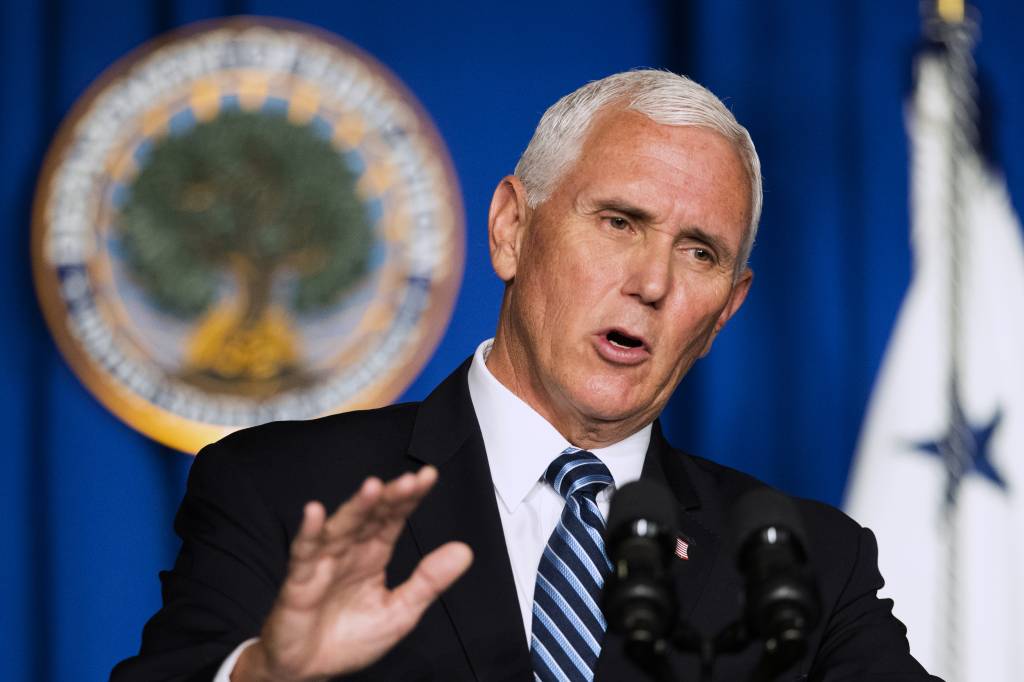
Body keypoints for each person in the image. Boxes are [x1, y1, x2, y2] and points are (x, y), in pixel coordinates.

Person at [113, 70, 938, 681]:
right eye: (620, 222)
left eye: (699, 253)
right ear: (511, 228)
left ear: (726, 309)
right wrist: (265, 676)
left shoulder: (804, 563)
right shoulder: (287, 492)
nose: (653, 283)